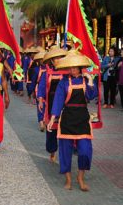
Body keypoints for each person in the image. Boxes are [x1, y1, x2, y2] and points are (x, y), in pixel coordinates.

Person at [47, 51, 97, 191]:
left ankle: (80, 177)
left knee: (85, 151)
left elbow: (92, 96)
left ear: (80, 67)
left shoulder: (85, 80)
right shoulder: (63, 82)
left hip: (82, 119)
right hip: (67, 119)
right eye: (71, 67)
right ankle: (68, 179)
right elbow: (58, 100)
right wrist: (52, 118)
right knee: (65, 152)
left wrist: (91, 81)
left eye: (75, 67)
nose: (73, 70)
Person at [37, 46, 68, 161]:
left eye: (60, 57)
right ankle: (52, 151)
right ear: (51, 60)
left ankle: (66, 151)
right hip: (50, 103)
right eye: (56, 58)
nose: (58, 59)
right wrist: (40, 99)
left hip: (65, 102)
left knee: (65, 128)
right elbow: (41, 87)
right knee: (51, 129)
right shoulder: (48, 72)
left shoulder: (67, 71)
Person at [32, 49, 47, 130]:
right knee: (40, 106)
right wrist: (32, 91)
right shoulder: (36, 69)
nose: (42, 61)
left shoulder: (49, 69)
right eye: (41, 59)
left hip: (48, 89)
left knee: (45, 106)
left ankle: (44, 121)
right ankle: (41, 122)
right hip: (39, 89)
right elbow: (34, 80)